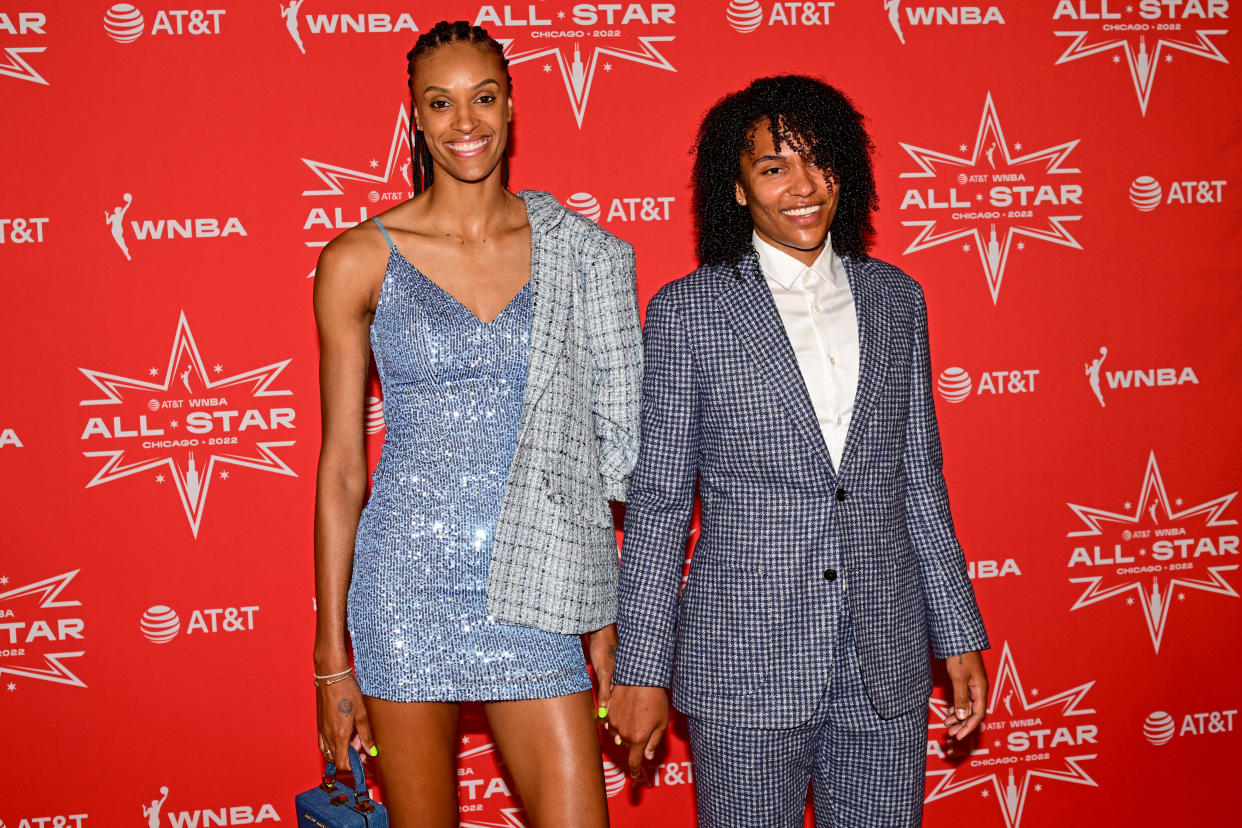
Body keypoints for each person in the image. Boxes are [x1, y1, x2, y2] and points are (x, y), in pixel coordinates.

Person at [608, 75, 989, 826]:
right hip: (746, 663)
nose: (804, 186)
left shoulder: (897, 298)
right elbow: (655, 505)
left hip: (884, 660)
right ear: (739, 189)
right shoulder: (690, 312)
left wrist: (959, 631)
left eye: (819, 161)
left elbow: (919, 480)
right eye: (774, 168)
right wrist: (642, 667)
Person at [312, 21, 642, 828]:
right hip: (405, 587)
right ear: (416, 119)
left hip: (541, 591)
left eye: (484, 98)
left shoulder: (576, 252)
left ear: (512, 106)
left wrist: (601, 614)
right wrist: (330, 659)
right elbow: (344, 470)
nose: (466, 123)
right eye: (441, 103)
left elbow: (599, 455)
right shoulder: (360, 258)